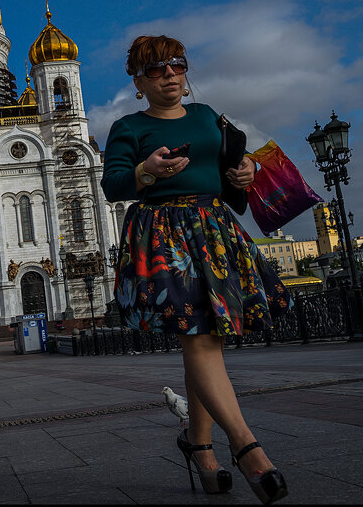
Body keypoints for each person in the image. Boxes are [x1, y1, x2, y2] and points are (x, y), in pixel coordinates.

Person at [100, 35, 292, 505]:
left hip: (214, 230)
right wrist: (148, 171)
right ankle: (247, 447)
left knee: (206, 341)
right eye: (156, 68)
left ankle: (200, 447)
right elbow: (114, 185)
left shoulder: (208, 118)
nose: (169, 73)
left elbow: (231, 177)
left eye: (176, 64)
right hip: (165, 238)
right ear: (139, 81)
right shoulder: (128, 126)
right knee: (201, 340)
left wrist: (244, 173)